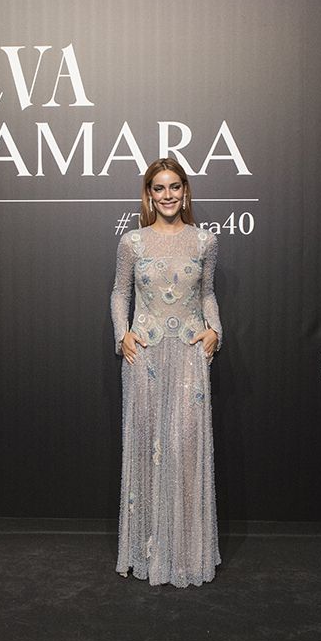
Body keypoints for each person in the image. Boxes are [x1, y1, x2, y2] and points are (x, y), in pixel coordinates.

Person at [110, 158, 223, 587]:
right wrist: (122, 335)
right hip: (145, 356)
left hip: (190, 354)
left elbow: (207, 294)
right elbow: (119, 293)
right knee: (147, 449)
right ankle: (148, 551)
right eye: (159, 188)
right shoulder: (132, 243)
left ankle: (187, 555)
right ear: (149, 195)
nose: (168, 195)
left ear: (185, 191)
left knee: (186, 451)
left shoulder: (205, 241)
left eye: (175, 186)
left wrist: (216, 331)